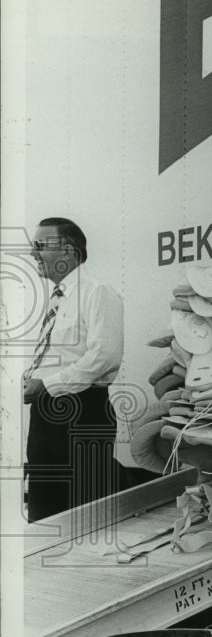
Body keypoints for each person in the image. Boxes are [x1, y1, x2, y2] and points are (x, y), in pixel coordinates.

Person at [24, 218, 124, 521]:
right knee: (44, 515)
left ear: (67, 250)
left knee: (85, 517)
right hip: (44, 418)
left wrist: (47, 384)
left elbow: (105, 356)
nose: (32, 253)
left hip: (82, 414)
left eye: (40, 246)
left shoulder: (98, 293)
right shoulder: (58, 301)